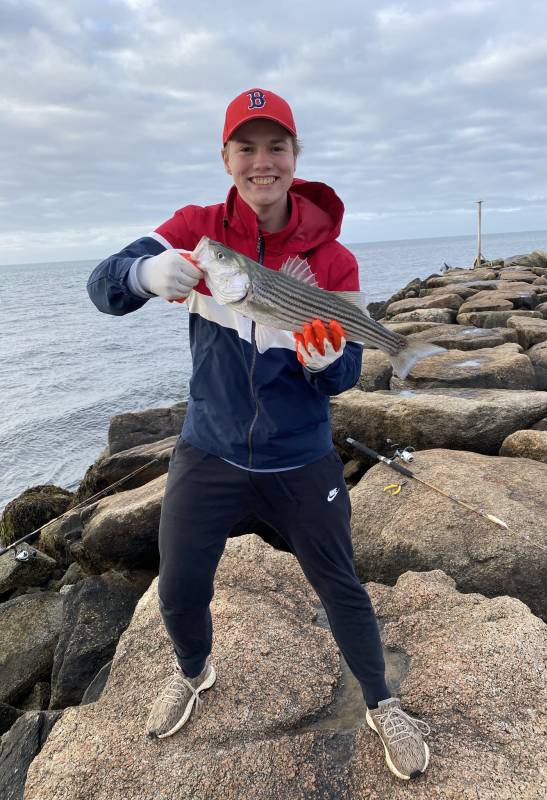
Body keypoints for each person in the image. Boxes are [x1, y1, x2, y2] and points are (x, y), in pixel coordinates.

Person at [86, 88, 430, 781]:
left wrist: (331, 362)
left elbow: (342, 380)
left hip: (300, 457)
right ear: (226, 157)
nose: (261, 161)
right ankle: (192, 672)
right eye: (247, 147)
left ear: (296, 157)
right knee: (179, 584)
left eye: (276, 147)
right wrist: (147, 273)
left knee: (343, 589)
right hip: (208, 449)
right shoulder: (199, 228)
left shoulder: (333, 261)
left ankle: (383, 701)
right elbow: (103, 287)